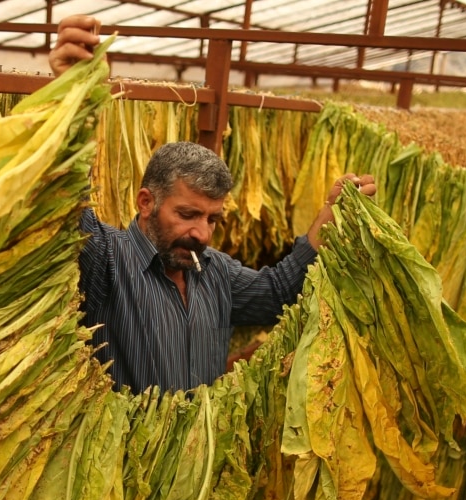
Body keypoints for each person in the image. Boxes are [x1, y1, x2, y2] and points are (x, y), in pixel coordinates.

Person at [51, 16, 376, 393]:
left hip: (202, 452)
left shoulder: (214, 270)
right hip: (130, 451)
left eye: (213, 219)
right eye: (187, 215)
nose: (201, 233)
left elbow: (280, 291)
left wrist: (330, 214)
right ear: (146, 202)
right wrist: (70, 97)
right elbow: (63, 202)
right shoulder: (105, 260)